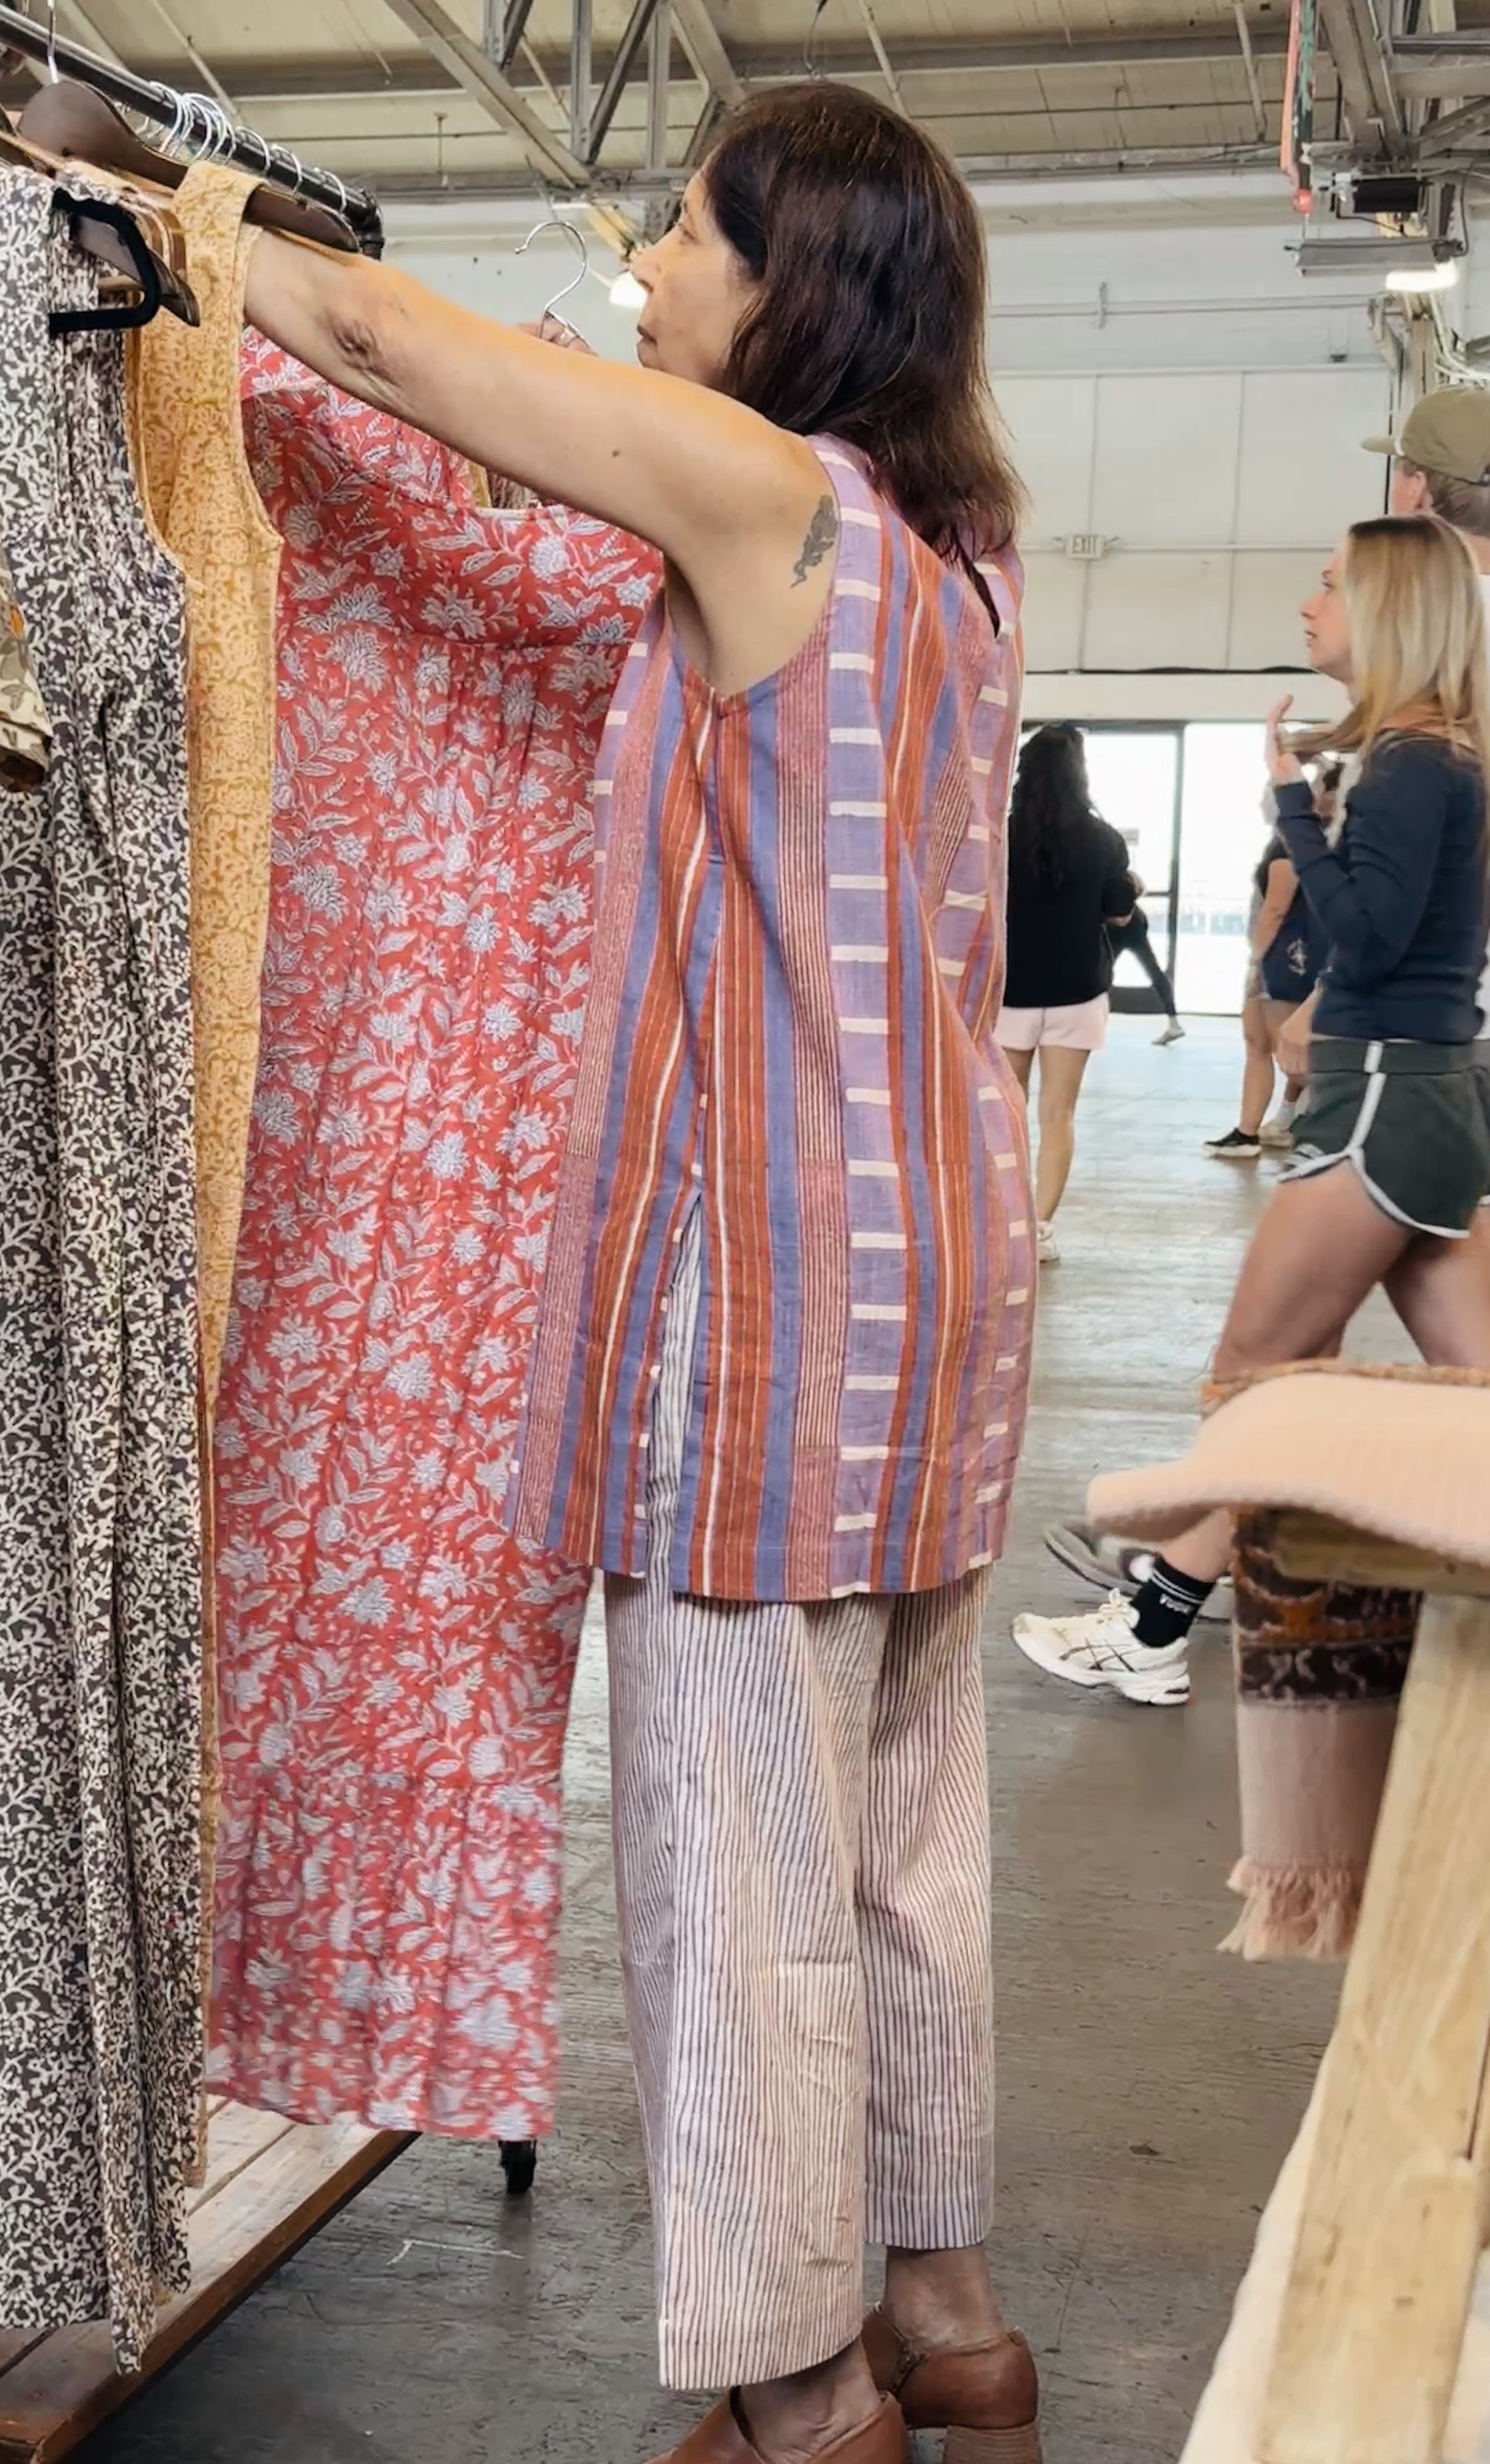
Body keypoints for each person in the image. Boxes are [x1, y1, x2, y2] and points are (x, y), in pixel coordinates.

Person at [241, 84, 1041, 2464]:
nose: (647, 283)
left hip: (770, 1321)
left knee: (739, 1885)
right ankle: (945, 2318)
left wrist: (162, 212)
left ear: (795, 292)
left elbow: (389, 344)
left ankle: (801, 2394)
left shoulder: (766, 496)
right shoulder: (962, 553)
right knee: (903, 1855)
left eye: (682, 244)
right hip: (948, 1311)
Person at [1014, 515, 1490, 1708]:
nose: (1307, 605)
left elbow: (1373, 936)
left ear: (1386, 612)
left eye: (1330, 586)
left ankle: (1151, 1613)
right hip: (1424, 1094)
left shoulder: (1412, 765)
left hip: (1380, 1099)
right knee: (1410, 1380)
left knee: (1255, 1375)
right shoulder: (1445, 759)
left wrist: (1289, 807)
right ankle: (1160, 1593)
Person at [997, 723, 1137, 1264]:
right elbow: (1120, 909)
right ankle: (1041, 1227)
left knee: (1008, 1111)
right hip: (1077, 992)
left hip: (1011, 992)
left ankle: (1004, 1219)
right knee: (1059, 1114)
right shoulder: (1103, 839)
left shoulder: (1000, 835)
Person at [1202, 805, 1327, 1158]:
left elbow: (1276, 909)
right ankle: (1248, 1130)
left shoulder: (1291, 850)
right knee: (1256, 1043)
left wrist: (1257, 958)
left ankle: (1315, 1129)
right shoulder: (1282, 844)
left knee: (1288, 1053)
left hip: (1282, 962)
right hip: (1269, 961)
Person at [1107, 897, 1186, 1044]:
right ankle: (1174, 1022)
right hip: (1135, 919)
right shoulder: (1123, 877)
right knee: (1153, 970)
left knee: (1102, 971)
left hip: (1119, 923)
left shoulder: (1107, 875)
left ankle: (1093, 1022)